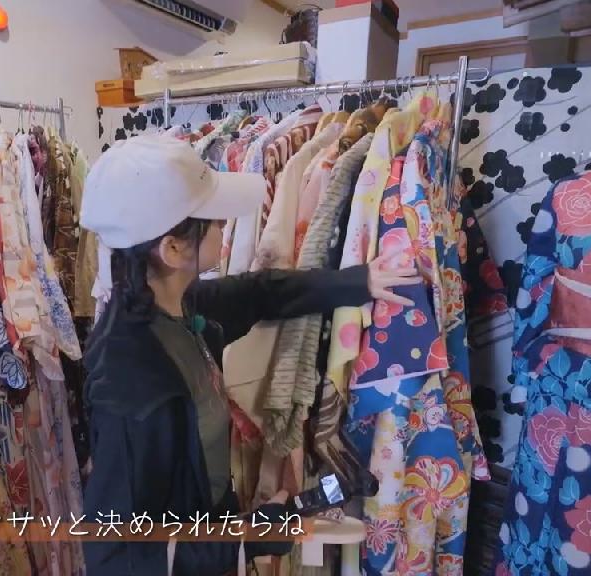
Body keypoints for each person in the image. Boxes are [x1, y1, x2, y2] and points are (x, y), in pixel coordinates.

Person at [80, 134, 418, 575]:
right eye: (214, 218)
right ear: (173, 248)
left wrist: (359, 281)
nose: (225, 226)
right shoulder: (131, 383)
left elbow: (260, 292)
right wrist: (248, 536)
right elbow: (117, 554)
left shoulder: (176, 306)